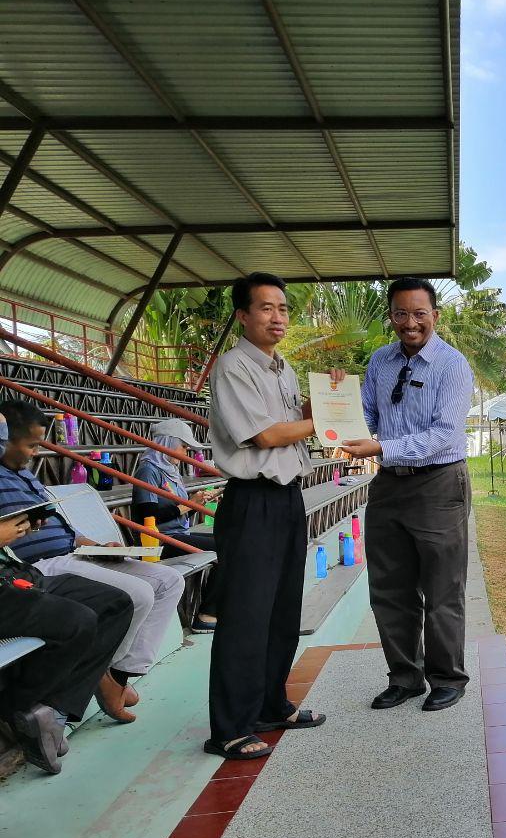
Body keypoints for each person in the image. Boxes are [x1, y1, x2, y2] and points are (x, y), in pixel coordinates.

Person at [0, 400, 185, 726]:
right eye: (30, 445)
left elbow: (67, 530)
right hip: (44, 565)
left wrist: (98, 546)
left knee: (169, 581)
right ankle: (102, 679)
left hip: (76, 553)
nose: (34, 453)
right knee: (138, 594)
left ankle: (119, 674)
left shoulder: (28, 477)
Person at [206, 272, 327, 760]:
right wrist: (323, 420)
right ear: (243, 315)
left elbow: (292, 418)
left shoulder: (284, 369)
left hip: (287, 498)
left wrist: (324, 400)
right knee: (245, 616)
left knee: (282, 612)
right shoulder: (233, 367)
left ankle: (271, 704)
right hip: (251, 501)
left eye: (283, 309)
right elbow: (265, 436)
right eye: (266, 308)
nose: (278, 318)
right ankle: (230, 727)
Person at [339, 276, 474, 714]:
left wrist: (382, 447)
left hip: (438, 483)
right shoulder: (380, 361)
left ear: (435, 315)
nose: (410, 322)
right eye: (401, 313)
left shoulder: (452, 365)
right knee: (389, 588)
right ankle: (404, 677)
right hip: (389, 484)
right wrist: (334, 398)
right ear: (391, 317)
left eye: (419, 313)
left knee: (442, 588)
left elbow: (444, 433)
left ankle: (447, 678)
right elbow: (365, 415)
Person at [0, 432, 132, 775]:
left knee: (116, 602)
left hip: (16, 571)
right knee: (78, 620)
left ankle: (52, 711)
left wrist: (23, 527)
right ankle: (17, 710)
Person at [131, 417, 222, 633]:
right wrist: (191, 504)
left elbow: (177, 506)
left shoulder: (170, 470)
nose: (186, 452)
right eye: (184, 446)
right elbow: (148, 514)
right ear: (169, 443)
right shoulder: (148, 470)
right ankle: (206, 615)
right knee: (225, 547)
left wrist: (198, 501)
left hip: (177, 533)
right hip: (159, 540)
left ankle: (218, 608)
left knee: (232, 541)